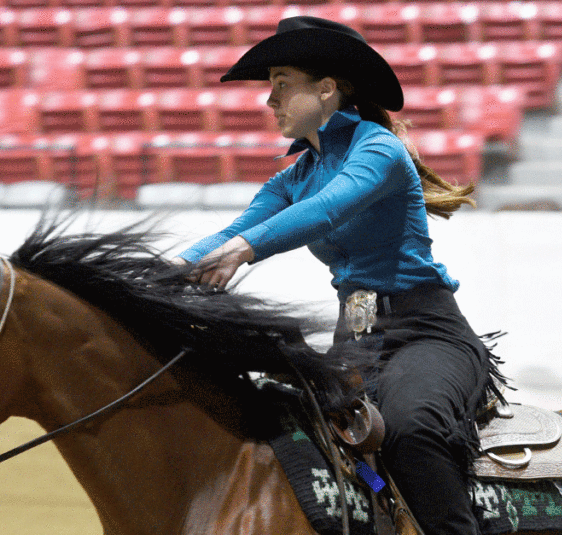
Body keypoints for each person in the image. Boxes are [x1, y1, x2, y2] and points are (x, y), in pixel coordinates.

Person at [172, 16, 504, 535]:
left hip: (426, 336)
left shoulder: (379, 149)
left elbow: (326, 210)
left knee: (411, 430)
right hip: (356, 343)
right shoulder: (295, 176)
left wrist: (244, 250)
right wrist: (155, 278)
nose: (270, 100)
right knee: (321, 448)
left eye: (282, 84)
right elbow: (229, 233)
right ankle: (387, 507)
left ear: (326, 89)